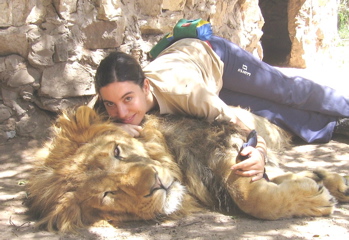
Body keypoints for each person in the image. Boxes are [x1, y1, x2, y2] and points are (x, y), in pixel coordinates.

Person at [93, 37, 349, 181]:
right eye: (111, 104)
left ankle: (344, 108)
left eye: (128, 99)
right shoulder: (105, 105)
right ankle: (333, 127)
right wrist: (111, 128)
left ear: (146, 87)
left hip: (218, 59)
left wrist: (258, 153)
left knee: (286, 91)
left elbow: (241, 124)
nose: (122, 113)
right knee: (273, 113)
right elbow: (81, 128)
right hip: (206, 82)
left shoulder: (185, 93)